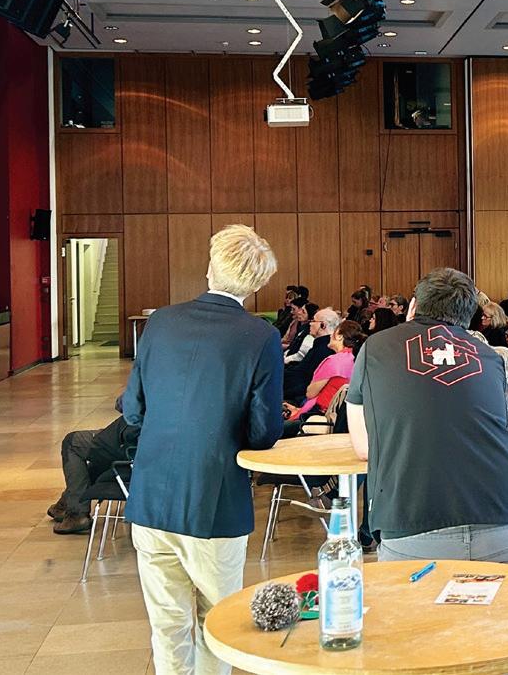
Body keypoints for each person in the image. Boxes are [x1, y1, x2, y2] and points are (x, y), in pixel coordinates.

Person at [122, 225, 283, 675]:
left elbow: (133, 409)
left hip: (151, 494)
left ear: (211, 268)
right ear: (256, 284)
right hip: (214, 499)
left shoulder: (161, 321)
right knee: (218, 623)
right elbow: (263, 431)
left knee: (167, 624)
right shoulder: (260, 336)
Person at [346, 268, 508, 562]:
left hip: (415, 514)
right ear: (469, 316)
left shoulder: (375, 347)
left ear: (413, 306)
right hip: (506, 512)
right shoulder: (490, 356)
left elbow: (363, 448)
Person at [49, 409, 139, 534]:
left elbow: (126, 404)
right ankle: (66, 503)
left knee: (72, 442)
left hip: (132, 443)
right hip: (152, 450)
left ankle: (76, 514)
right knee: (101, 451)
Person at [282, 320, 364, 435]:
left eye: (334, 332)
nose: (330, 336)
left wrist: (299, 411)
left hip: (319, 417)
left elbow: (310, 393)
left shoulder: (333, 361)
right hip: (336, 420)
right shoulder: (356, 360)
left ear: (339, 336)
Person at [284, 308, 339, 402]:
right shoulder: (321, 344)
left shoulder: (325, 349)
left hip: (303, 395)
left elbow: (306, 379)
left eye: (313, 321)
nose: (310, 323)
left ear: (323, 325)